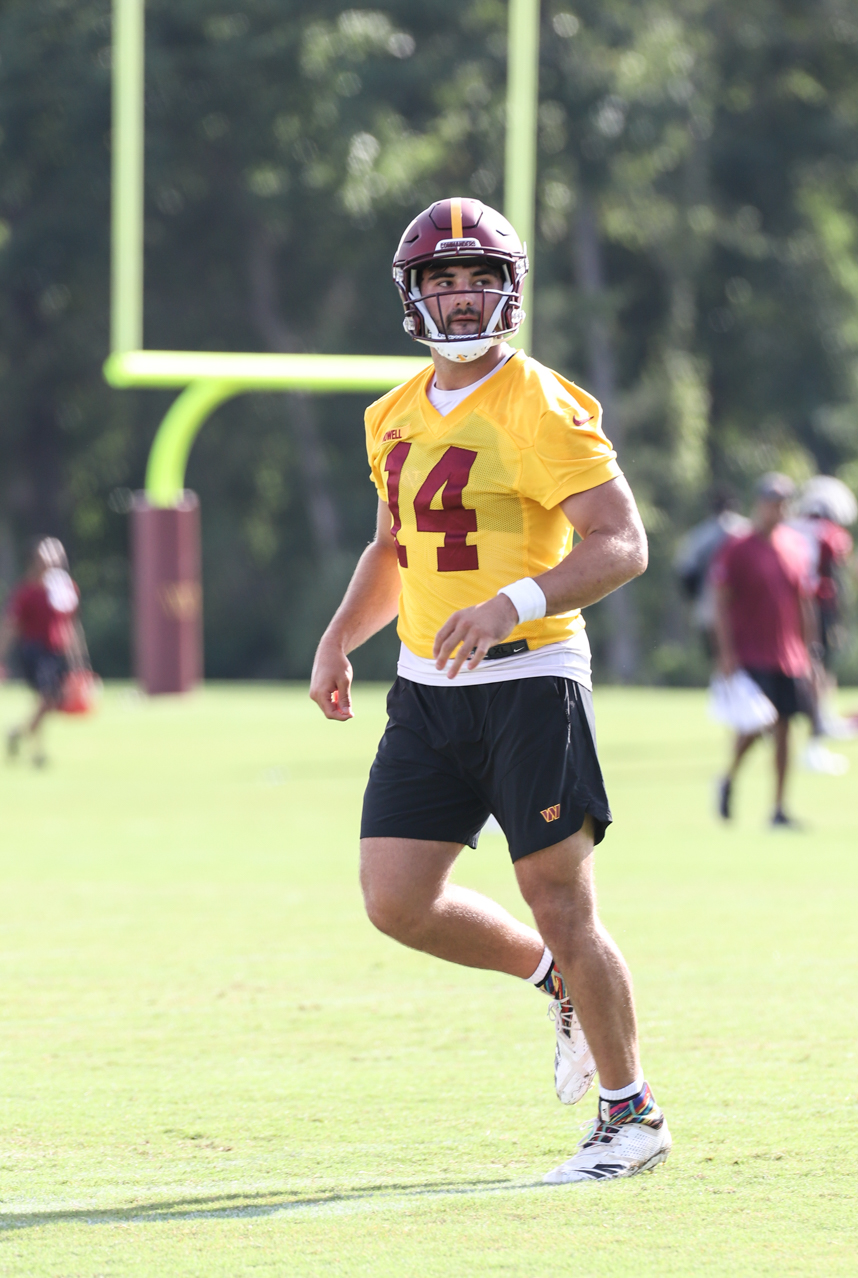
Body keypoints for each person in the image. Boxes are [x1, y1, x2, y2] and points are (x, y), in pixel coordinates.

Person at [309, 198, 670, 1184]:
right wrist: (340, 638)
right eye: (441, 279)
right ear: (412, 292)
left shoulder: (541, 403)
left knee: (559, 898)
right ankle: (557, 986)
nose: (460, 296)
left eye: (477, 278)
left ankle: (629, 1115)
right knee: (396, 899)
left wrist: (510, 602)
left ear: (508, 289)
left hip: (528, 678)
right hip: (426, 687)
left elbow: (621, 544)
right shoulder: (389, 413)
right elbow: (394, 547)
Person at [712, 472, 817, 827]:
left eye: (784, 503)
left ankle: (778, 807)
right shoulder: (739, 547)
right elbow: (721, 603)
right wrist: (725, 653)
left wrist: (809, 649)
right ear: (759, 504)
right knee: (759, 723)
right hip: (752, 651)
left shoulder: (795, 545)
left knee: (786, 729)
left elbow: (803, 601)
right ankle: (728, 777)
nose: (778, 510)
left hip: (788, 654)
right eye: (773, 502)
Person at [787, 475, 858, 770]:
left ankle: (819, 720)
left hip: (789, 605)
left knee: (801, 665)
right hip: (818, 605)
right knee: (819, 664)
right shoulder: (830, 533)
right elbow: (838, 567)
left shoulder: (789, 528)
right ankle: (820, 722)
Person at [0, 537, 82, 766]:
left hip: (55, 651)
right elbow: (11, 627)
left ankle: (18, 734)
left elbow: (69, 625)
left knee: (52, 701)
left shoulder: (65, 589)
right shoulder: (26, 592)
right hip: (34, 651)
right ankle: (37, 752)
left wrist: (77, 661)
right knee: (47, 698)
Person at [674, 489, 751, 658]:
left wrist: (694, 598)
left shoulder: (699, 535)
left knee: (717, 654)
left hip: (710, 599)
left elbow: (686, 573)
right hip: (746, 601)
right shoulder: (748, 530)